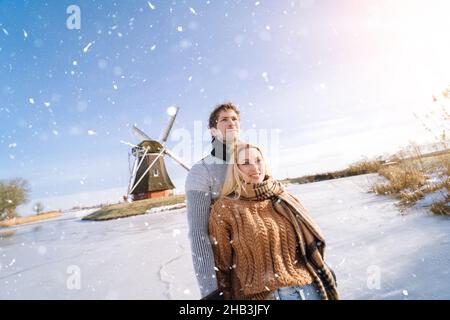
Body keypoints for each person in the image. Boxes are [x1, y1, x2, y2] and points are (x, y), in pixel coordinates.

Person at [208, 142, 339, 300]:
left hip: (310, 287)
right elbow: (222, 265)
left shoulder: (283, 198)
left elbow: (309, 248)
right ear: (236, 169)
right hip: (266, 295)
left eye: (258, 160)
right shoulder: (225, 208)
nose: (255, 168)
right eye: (246, 163)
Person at [185, 102, 241, 299]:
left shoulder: (253, 163)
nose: (231, 122)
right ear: (213, 130)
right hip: (231, 273)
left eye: (235, 119)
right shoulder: (201, 171)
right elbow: (199, 233)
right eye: (224, 119)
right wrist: (209, 290)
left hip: (269, 271)